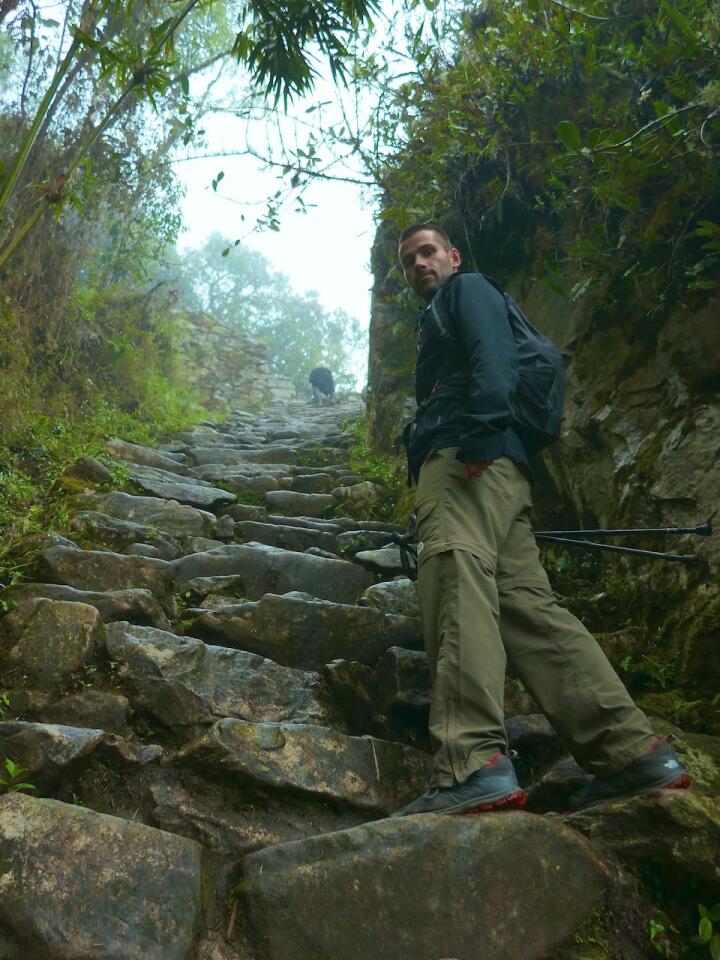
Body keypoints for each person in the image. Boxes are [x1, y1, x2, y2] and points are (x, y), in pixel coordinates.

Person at [392, 222, 690, 816]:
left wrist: (476, 433)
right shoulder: (458, 301)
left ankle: (470, 764)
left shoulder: (466, 290)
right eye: (407, 260)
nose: (420, 264)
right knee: (528, 609)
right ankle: (632, 754)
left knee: (455, 576)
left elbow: (491, 355)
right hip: (504, 473)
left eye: (429, 252)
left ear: (452, 257)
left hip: (466, 461)